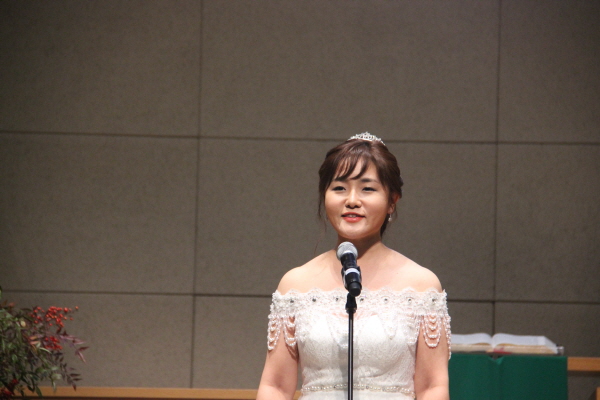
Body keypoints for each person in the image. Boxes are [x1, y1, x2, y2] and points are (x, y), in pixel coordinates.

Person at [256, 133, 451, 400]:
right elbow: (276, 387)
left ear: (392, 200)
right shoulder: (295, 284)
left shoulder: (421, 285)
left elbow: (432, 387)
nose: (352, 200)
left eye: (367, 189)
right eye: (339, 188)